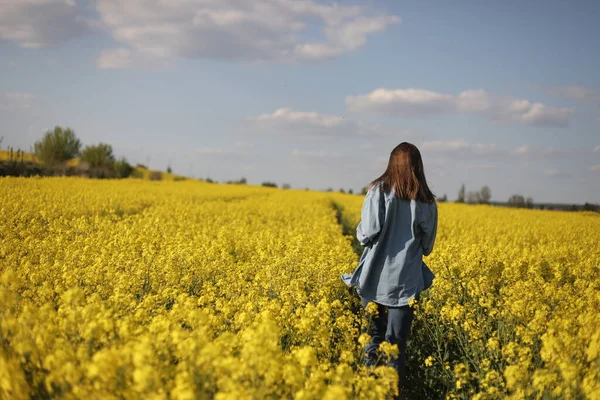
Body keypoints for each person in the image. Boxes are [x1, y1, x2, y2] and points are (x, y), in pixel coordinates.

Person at [341, 142, 438, 397]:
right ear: (418, 167)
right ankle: (389, 394)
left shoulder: (378, 192)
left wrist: (361, 233)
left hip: (375, 276)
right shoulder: (427, 201)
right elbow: (427, 247)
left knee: (372, 337)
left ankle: (367, 391)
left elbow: (368, 231)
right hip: (406, 283)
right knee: (396, 345)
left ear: (391, 164)